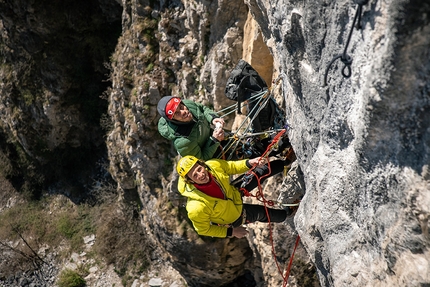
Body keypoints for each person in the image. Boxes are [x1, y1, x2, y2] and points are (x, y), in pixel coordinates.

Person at [176, 155, 296, 238]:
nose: (201, 174)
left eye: (199, 169)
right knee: (263, 213)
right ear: (189, 181)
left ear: (202, 164)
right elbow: (203, 230)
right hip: (235, 216)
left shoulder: (213, 166)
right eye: (194, 175)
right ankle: (288, 213)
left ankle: (285, 163)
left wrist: (249, 163)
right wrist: (231, 232)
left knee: (258, 172)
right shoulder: (195, 208)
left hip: (234, 193)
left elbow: (231, 167)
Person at [157, 96, 225, 160]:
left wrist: (213, 118)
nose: (183, 112)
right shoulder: (183, 141)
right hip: (214, 158)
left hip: (215, 137)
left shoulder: (188, 105)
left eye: (181, 107)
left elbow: (202, 109)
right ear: (173, 120)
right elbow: (201, 159)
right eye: (177, 113)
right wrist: (214, 140)